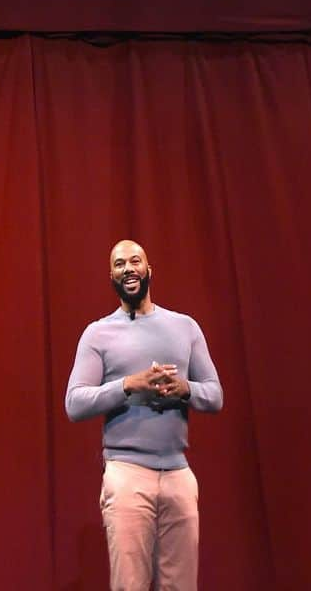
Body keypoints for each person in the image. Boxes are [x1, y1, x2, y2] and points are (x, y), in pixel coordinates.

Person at [65, 240, 222, 591]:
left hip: (179, 474)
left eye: (135, 261)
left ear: (149, 270)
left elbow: (215, 394)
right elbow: (74, 403)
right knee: (130, 586)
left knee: (181, 587)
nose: (128, 269)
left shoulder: (185, 327)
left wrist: (185, 389)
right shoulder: (98, 333)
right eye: (119, 264)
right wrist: (128, 385)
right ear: (112, 277)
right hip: (127, 474)